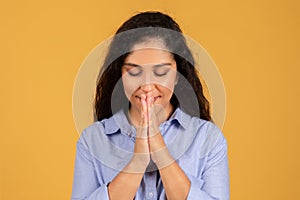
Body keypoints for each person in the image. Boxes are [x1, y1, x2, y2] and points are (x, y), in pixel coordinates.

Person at [71, 11, 229, 200]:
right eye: (134, 72)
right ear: (120, 75)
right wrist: (138, 162)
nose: (147, 86)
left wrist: (161, 153)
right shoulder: (92, 140)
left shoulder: (208, 139)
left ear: (178, 75)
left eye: (161, 72)